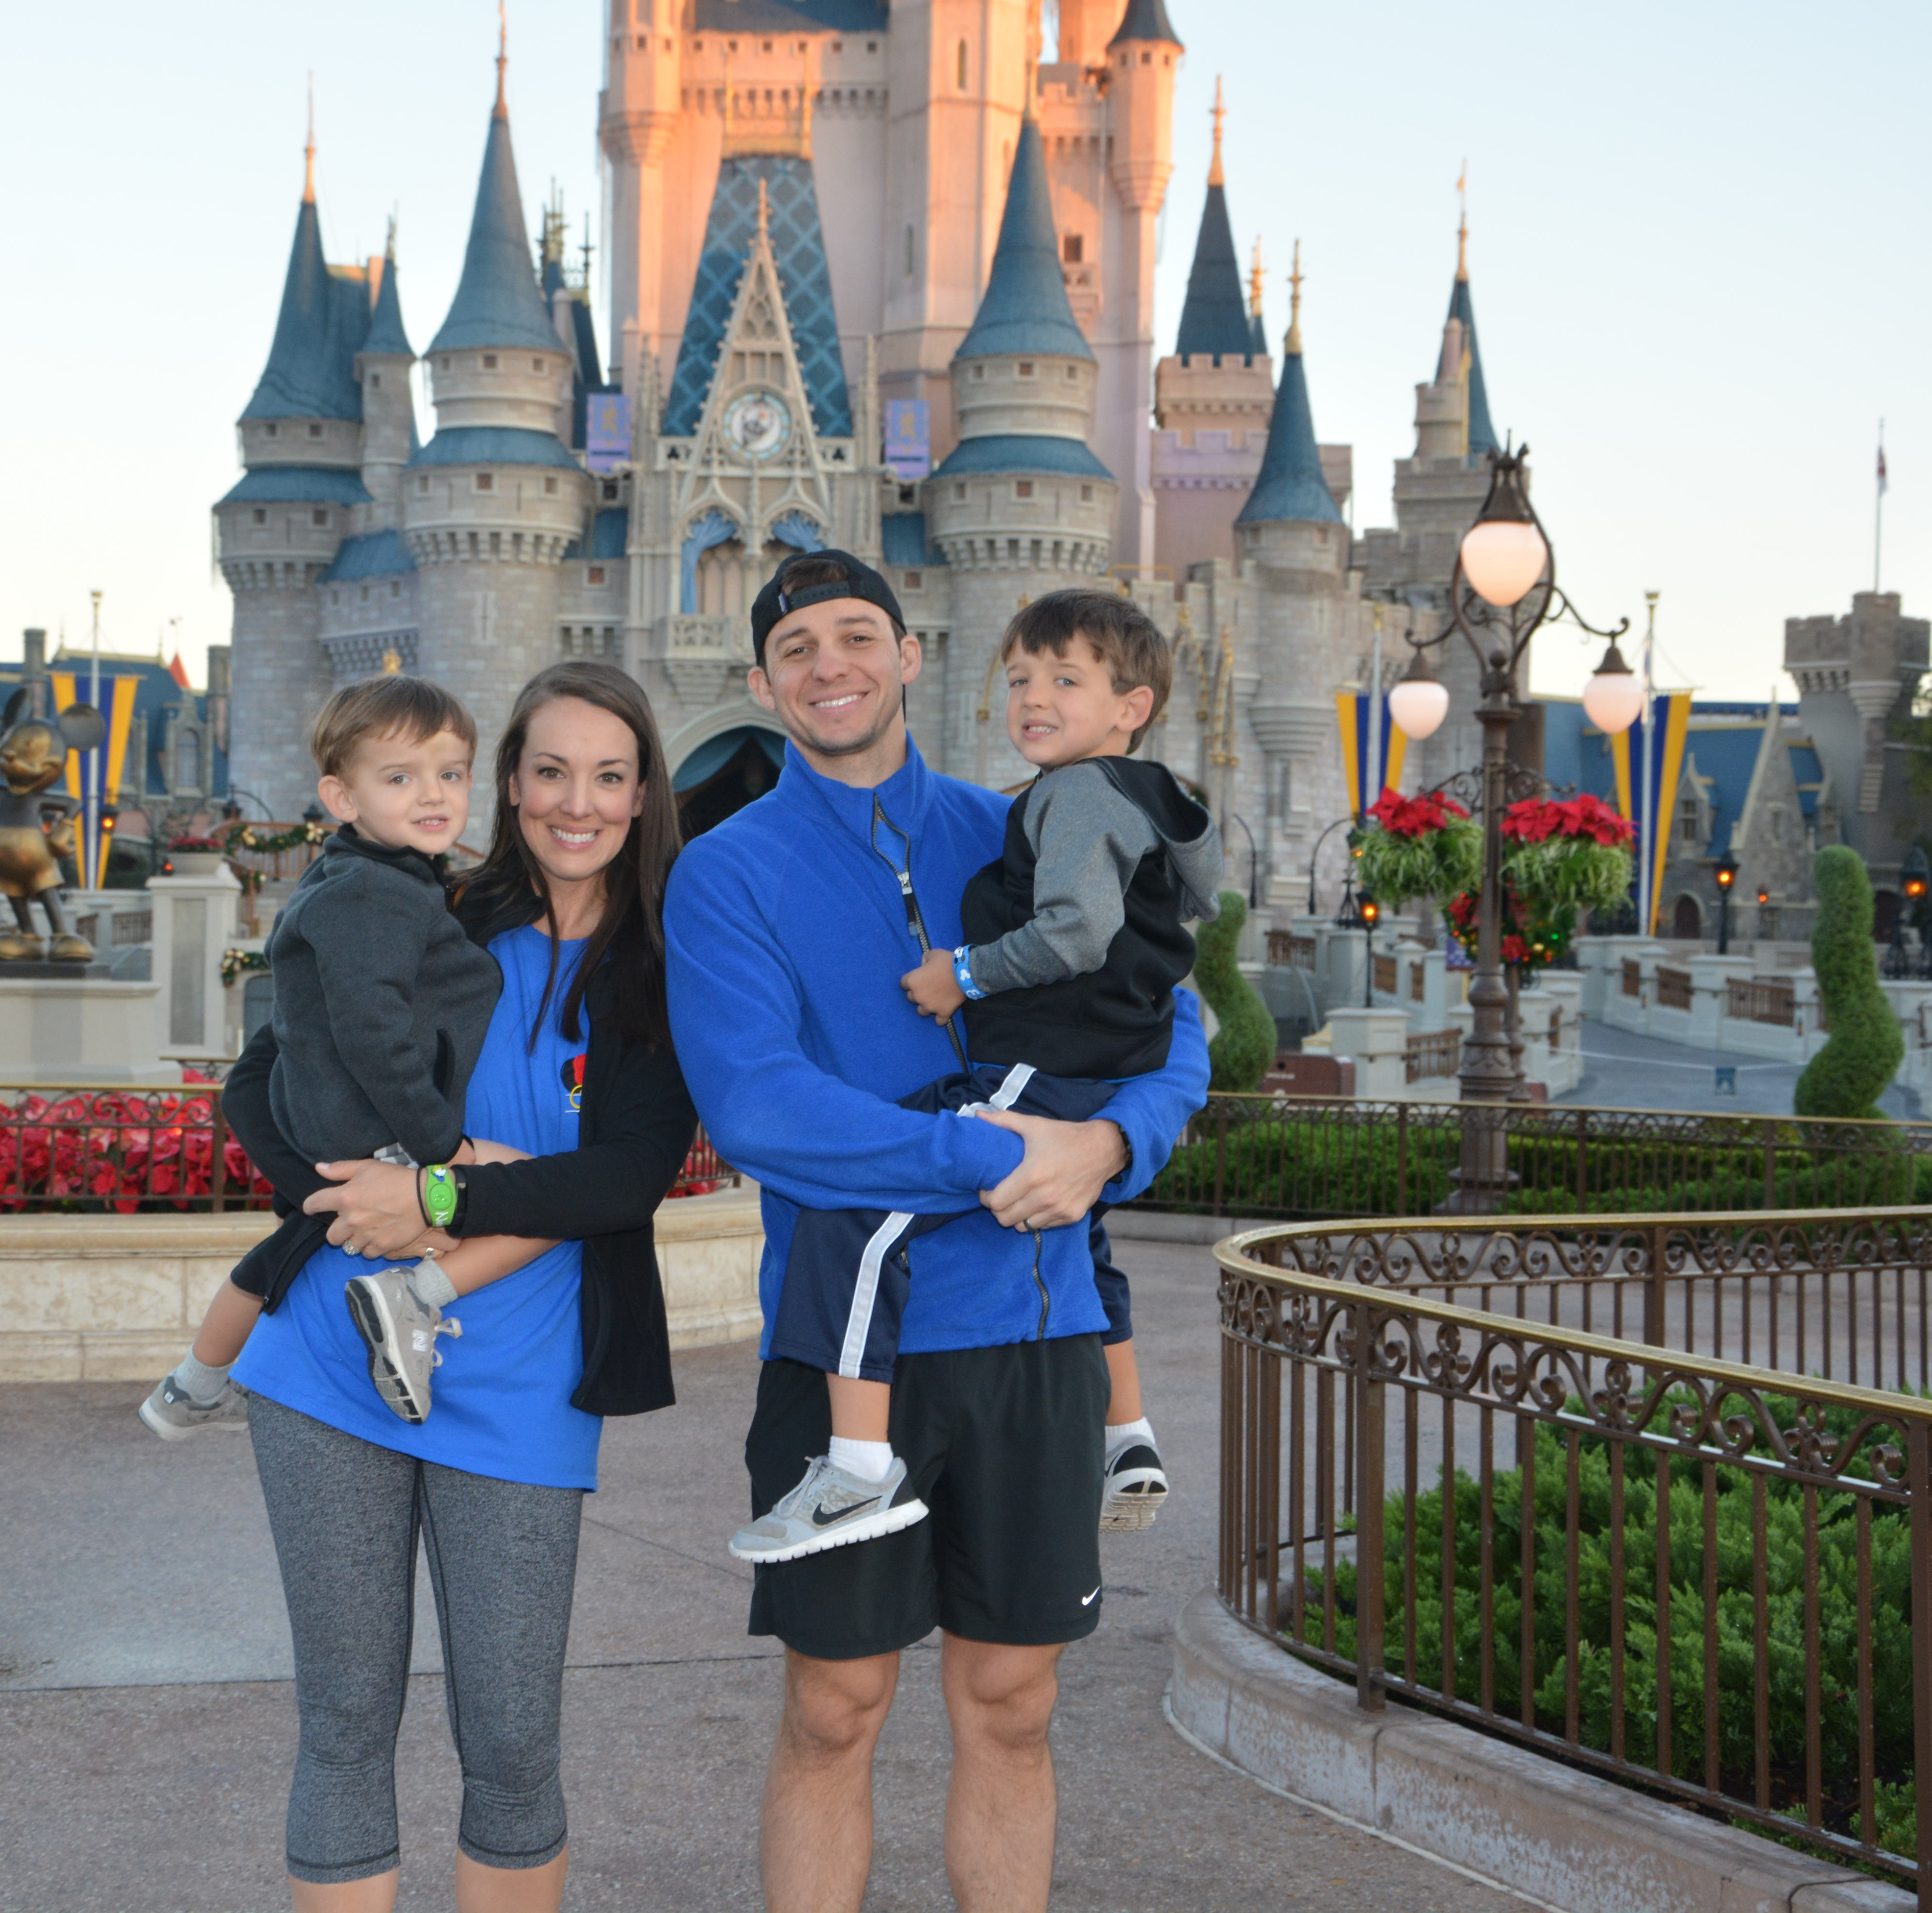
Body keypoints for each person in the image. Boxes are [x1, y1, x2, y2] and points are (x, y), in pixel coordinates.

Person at [665, 550, 1210, 1913]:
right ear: (761, 682)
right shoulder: (725, 872)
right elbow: (758, 1106)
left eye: (860, 637)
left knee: (1014, 1699)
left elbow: (1167, 1016)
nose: (831, 666)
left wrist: (1109, 1145)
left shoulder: (1020, 821)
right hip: (853, 1344)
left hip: (1035, 1333)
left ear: (914, 656)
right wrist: (982, 1154)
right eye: (799, 649)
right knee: (838, 1706)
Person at [217, 661, 697, 1912]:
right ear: (510, 784)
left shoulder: (665, 970)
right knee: (342, 1724)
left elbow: (624, 1179)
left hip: (524, 1387)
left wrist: (438, 1198)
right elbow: (256, 1072)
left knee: (514, 1745)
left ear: (644, 792)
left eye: (607, 774)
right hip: (330, 1363)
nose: (576, 803)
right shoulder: (421, 914)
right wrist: (322, 1197)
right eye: (548, 771)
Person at [734, 588, 1220, 1562]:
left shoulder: (1069, 796)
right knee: (1087, 1228)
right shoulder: (1142, 797)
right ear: (761, 681)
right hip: (1083, 1076)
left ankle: (857, 1470)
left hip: (1044, 1071)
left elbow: (1089, 940)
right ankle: (1128, 1434)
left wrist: (960, 974)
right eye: (1021, 679)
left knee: (852, 1217)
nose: (1034, 697)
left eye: (1064, 679)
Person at [139, 675, 529, 1438]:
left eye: (450, 774)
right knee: (531, 1195)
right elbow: (372, 1033)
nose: (434, 795)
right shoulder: (372, 895)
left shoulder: (377, 878)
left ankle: (194, 1386)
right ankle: (411, 1301)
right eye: (400, 777)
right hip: (372, 1131)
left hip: (333, 1124)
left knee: (295, 1240)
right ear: (342, 798)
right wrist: (439, 1147)